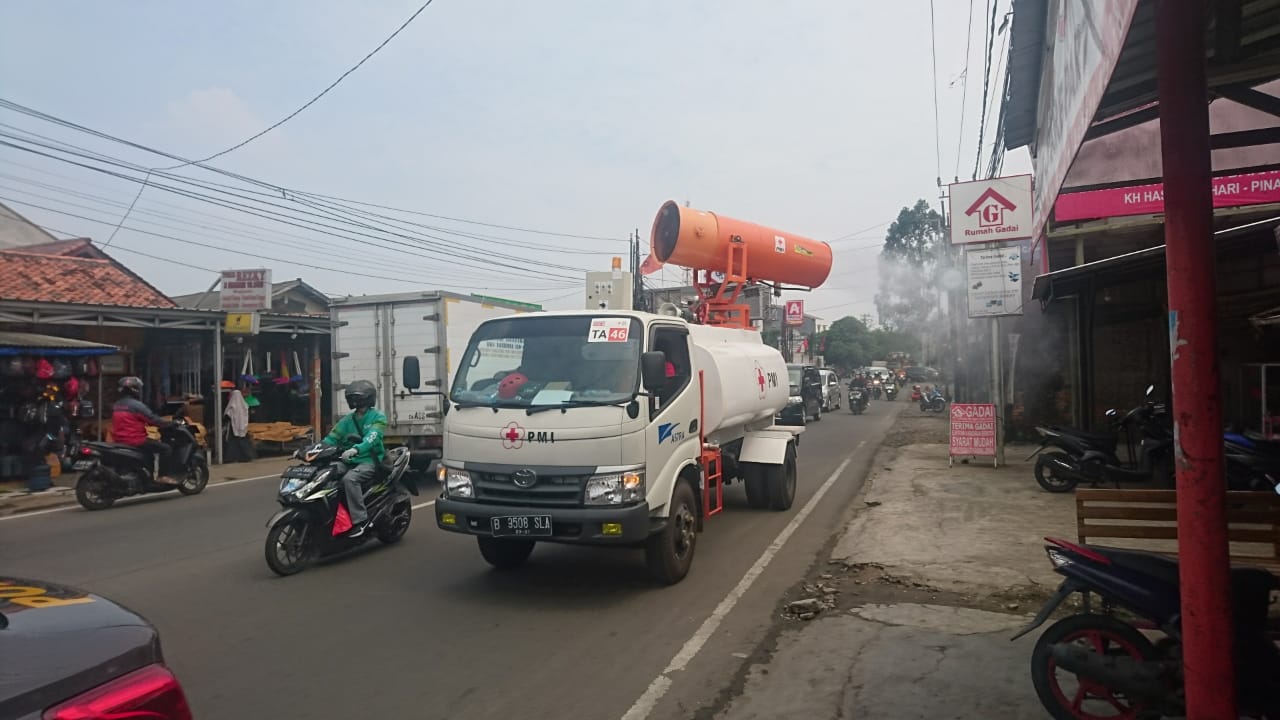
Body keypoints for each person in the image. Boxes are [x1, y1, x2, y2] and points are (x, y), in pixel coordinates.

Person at [322, 379, 387, 536]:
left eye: (356, 397)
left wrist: (356, 449)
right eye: (351, 398)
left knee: (349, 480)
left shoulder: (378, 417)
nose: (353, 401)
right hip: (348, 460)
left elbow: (372, 437)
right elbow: (331, 438)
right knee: (325, 473)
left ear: (367, 398)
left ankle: (360, 520)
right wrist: (313, 450)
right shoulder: (347, 420)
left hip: (369, 461)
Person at [110, 376, 178, 485]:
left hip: (119, 440)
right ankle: (162, 476)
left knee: (149, 453)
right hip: (135, 440)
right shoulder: (137, 406)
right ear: (135, 390)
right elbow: (153, 419)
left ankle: (146, 477)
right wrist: (170, 423)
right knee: (166, 449)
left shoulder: (117, 405)